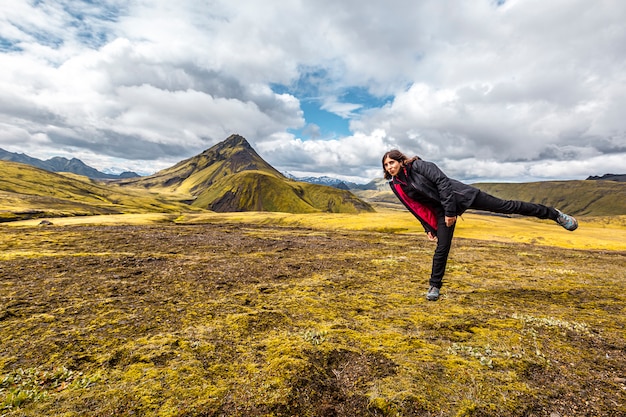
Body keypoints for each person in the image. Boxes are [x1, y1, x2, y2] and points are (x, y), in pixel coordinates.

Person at [382, 149, 578, 301]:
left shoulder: (419, 166)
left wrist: (451, 211)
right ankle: (435, 286)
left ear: (400, 160)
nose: (390, 167)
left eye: (392, 162)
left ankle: (554, 214)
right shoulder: (396, 184)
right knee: (442, 247)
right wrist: (428, 227)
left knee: (506, 206)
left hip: (461, 196)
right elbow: (414, 206)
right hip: (442, 211)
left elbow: (443, 183)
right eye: (386, 165)